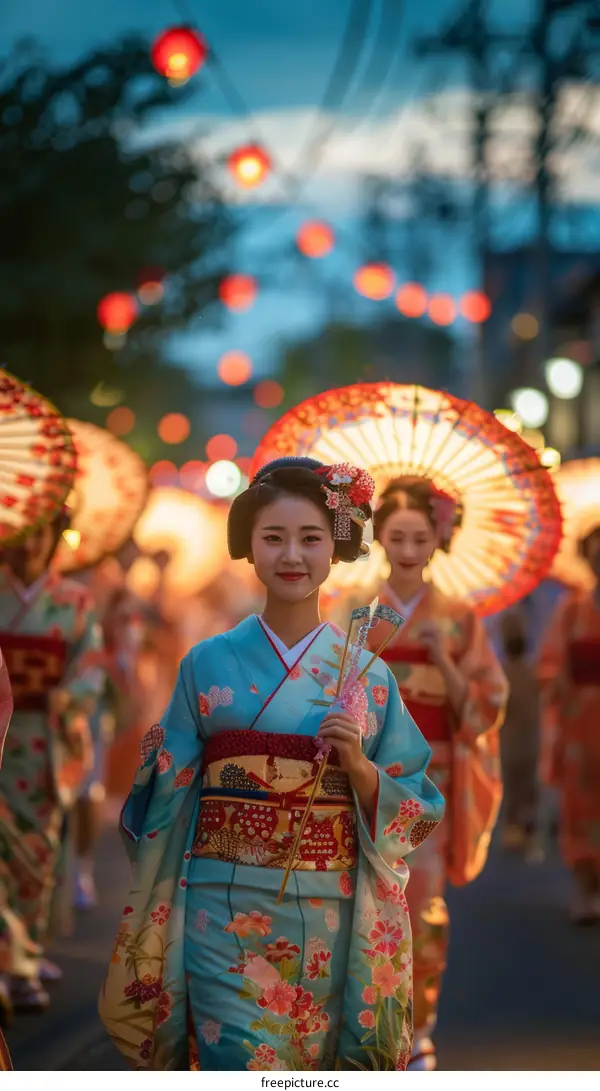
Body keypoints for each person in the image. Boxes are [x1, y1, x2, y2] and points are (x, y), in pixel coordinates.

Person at [99, 457, 445, 1072]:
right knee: (236, 1059)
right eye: (273, 538)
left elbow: (416, 805)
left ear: (336, 547)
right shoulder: (206, 663)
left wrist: (359, 767)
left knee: (312, 1067)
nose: (292, 554)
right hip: (218, 906)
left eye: (311, 538)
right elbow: (167, 790)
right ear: (248, 549)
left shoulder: (367, 673)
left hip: (327, 912)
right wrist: (157, 766)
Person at [367, 477, 508, 1070]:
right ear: (378, 538)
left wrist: (444, 659)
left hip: (432, 780)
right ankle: (368, 1022)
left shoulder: (457, 617)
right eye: (395, 536)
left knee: (420, 901)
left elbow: (487, 703)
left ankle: (419, 1025)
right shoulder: (358, 611)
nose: (406, 548)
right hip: (367, 776)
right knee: (364, 901)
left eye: (418, 537)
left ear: (436, 540)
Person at [0, 510, 105, 1011]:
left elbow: (90, 668)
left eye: (36, 531)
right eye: (17, 534)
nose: (26, 545)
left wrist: (68, 696)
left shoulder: (73, 601)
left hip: (42, 737)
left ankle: (25, 960)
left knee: (35, 857)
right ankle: (8, 962)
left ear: (55, 535)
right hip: (2, 732)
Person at [538, 523, 600, 924]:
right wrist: (558, 678)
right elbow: (548, 663)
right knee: (579, 807)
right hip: (581, 718)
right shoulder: (572, 609)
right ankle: (584, 889)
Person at [498, 610, 540, 855]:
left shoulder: (503, 674)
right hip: (529, 739)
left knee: (514, 787)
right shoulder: (531, 672)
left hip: (510, 741)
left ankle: (515, 830)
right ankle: (525, 831)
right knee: (526, 787)